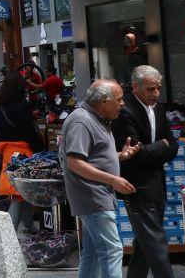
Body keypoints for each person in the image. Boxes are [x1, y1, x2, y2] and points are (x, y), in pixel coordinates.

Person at [60, 79, 141, 278]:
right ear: (104, 100)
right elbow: (75, 162)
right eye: (119, 99)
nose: (123, 103)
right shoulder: (82, 121)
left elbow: (92, 157)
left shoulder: (95, 118)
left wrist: (119, 156)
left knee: (94, 252)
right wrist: (113, 180)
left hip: (95, 195)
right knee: (112, 250)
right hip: (93, 196)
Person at [112, 66, 178, 278]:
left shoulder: (159, 109)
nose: (155, 93)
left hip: (157, 182)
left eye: (158, 88)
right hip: (135, 184)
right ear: (135, 87)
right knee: (155, 239)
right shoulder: (125, 110)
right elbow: (135, 153)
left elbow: (173, 145)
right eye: (150, 89)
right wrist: (162, 146)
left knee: (145, 241)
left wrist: (156, 148)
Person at [0, 72, 44, 235]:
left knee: (23, 190)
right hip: (22, 151)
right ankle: (8, 233)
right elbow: (29, 131)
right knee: (20, 192)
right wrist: (40, 148)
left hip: (8, 151)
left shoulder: (1, 106)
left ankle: (28, 225)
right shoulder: (21, 105)